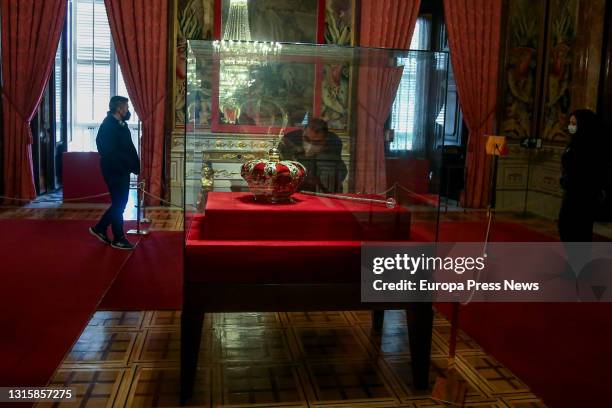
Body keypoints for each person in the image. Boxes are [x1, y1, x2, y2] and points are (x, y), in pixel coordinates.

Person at [89, 96, 140, 250]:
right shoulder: (108, 126)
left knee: (120, 203)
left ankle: (101, 228)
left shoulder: (118, 124)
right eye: (126, 107)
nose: (128, 110)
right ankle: (118, 237)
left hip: (120, 169)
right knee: (119, 204)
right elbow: (107, 151)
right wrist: (124, 165)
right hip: (115, 171)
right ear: (119, 108)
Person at [558, 109, 606, 242]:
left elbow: (589, 173)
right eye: (570, 123)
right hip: (571, 192)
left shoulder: (591, 147)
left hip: (583, 196)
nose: (571, 126)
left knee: (578, 231)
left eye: (574, 123)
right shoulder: (574, 143)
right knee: (565, 227)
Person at [279, 117, 347, 193]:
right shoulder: (290, 139)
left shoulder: (333, 143)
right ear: (303, 131)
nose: (310, 146)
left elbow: (339, 172)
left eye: (316, 142)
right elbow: (282, 171)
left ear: (325, 139)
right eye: (306, 139)